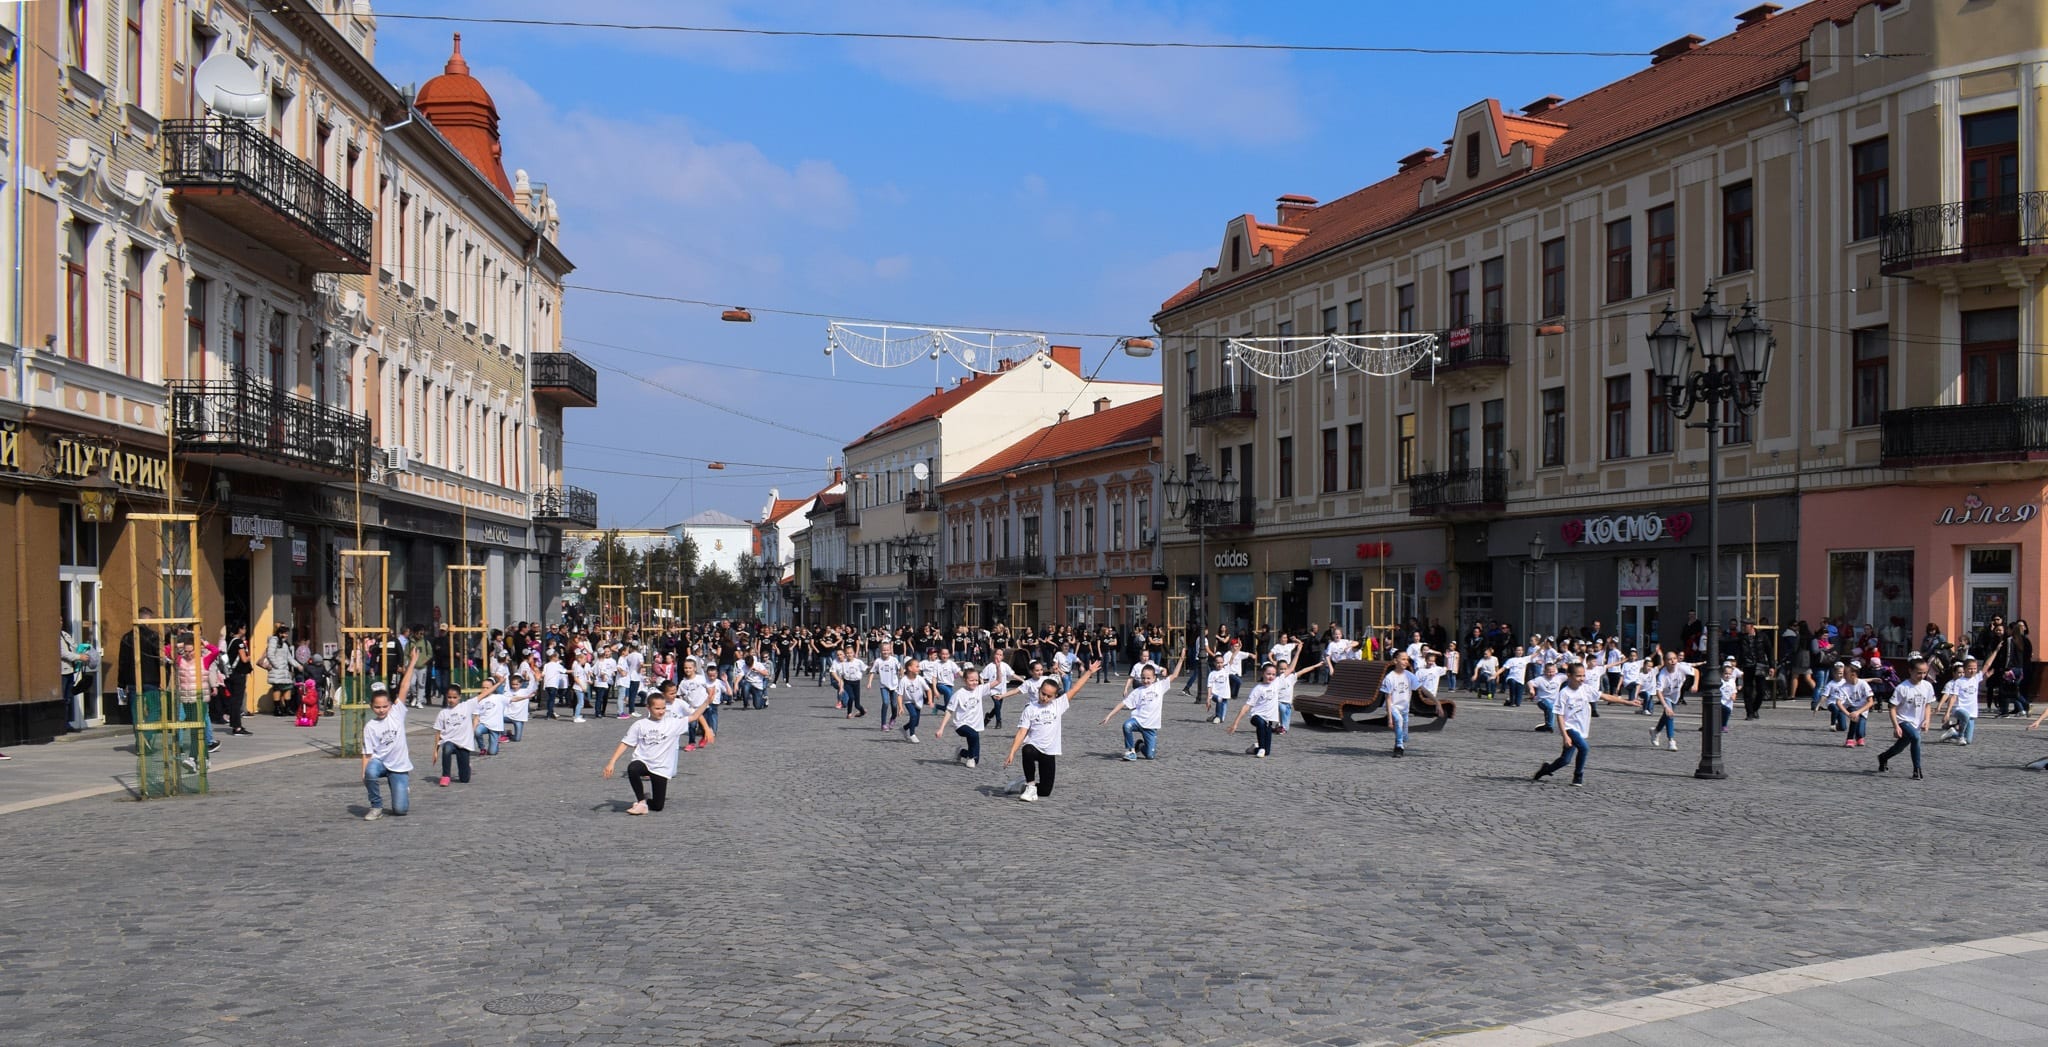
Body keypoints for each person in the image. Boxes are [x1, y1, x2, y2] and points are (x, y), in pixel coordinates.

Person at [1001, 662, 1102, 802]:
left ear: (1055, 696)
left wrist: (1089, 672)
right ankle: (1030, 786)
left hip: (1049, 751)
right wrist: (1012, 752)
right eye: (1043, 694)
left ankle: (1021, 785)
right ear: (1039, 691)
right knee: (1027, 750)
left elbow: (1075, 689)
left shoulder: (1058, 705)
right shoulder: (1030, 709)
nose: (1045, 698)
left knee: (1045, 791)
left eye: (1049, 696)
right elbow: (1021, 733)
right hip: (1034, 746)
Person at [602, 688, 712, 815]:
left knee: (658, 806)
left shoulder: (672, 723)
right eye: (657, 709)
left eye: (663, 708)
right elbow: (625, 743)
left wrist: (706, 702)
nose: (661, 712)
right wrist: (612, 762)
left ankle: (646, 800)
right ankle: (641, 802)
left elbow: (694, 716)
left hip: (661, 768)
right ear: (648, 708)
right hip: (643, 761)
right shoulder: (640, 724)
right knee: (633, 768)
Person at [1531, 661, 1633, 786]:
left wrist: (1628, 702)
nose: (1582, 679)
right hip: (1569, 728)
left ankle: (1546, 769)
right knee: (1584, 748)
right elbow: (1560, 715)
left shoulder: (1586, 689)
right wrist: (1565, 736)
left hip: (1581, 728)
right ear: (1569, 676)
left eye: (1583, 675)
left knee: (1565, 760)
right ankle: (1578, 777)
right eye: (1578, 676)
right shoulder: (1564, 693)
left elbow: (1605, 696)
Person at [360, 663, 417, 820]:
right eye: (377, 707)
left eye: (385, 706)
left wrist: (412, 662)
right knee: (369, 772)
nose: (382, 710)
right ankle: (376, 807)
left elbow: (404, 686)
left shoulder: (397, 714)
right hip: (380, 762)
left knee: (400, 810)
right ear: (372, 707)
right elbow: (367, 753)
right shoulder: (370, 726)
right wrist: (364, 774)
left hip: (399, 766)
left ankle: (401, 787)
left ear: (391, 705)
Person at [1102, 650, 1183, 760]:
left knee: (1150, 756)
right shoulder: (1137, 691)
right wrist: (1109, 716)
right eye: (1143, 678)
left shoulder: (1160, 686)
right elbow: (1123, 703)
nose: (1146, 680)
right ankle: (1131, 751)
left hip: (1151, 727)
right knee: (1127, 725)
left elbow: (1174, 675)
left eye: (1148, 678)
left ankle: (1140, 745)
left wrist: (1181, 659)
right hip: (1138, 721)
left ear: (1154, 678)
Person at [1227, 660, 1315, 759]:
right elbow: (1246, 706)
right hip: (1256, 716)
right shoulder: (1258, 688)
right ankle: (1261, 748)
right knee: (1261, 724)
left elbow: (1290, 669)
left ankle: (1255, 749)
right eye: (1268, 674)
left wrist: (1298, 650)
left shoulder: (1276, 683)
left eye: (1273, 674)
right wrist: (1235, 723)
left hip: (1269, 720)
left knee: (1267, 752)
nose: (1271, 676)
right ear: (1263, 674)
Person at [1877, 656, 1935, 779]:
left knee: (1900, 746)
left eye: (1925, 673)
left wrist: (1927, 720)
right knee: (1916, 737)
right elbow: (1892, 707)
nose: (1922, 675)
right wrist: (1896, 726)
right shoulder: (1902, 688)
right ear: (1910, 671)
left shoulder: (1927, 686)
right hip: (1903, 720)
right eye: (1919, 673)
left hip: (1917, 722)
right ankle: (1917, 770)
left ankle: (1883, 757)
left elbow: (1928, 705)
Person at [432, 684, 479, 786]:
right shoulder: (443, 713)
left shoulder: (466, 706)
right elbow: (438, 732)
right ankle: (445, 776)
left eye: (454, 697)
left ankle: (467, 768)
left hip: (463, 744)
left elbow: (483, 695)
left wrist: (498, 683)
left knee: (464, 779)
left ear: (459, 697)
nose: (451, 700)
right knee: (447, 748)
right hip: (450, 741)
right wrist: (435, 751)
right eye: (449, 697)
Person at [1380, 651, 1419, 757]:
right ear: (1395, 661)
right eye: (1403, 659)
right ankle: (1398, 747)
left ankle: (1402, 739)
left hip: (1405, 708)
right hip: (1393, 706)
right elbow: (1387, 698)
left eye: (1407, 659)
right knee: (1399, 720)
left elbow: (1422, 689)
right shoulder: (1390, 677)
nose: (1406, 662)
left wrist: (1436, 702)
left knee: (1405, 735)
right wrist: (1389, 718)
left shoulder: (1409, 675)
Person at [1940, 654, 1983, 746]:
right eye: (1970, 668)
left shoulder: (1976, 679)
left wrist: (1996, 651)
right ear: (1965, 668)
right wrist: (1947, 712)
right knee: (1965, 716)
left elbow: (1987, 665)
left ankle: (1953, 734)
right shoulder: (1958, 682)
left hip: (1972, 712)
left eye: (1975, 668)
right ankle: (1960, 737)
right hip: (1959, 708)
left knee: (1969, 740)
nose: (1973, 671)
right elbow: (1952, 697)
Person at [1839, 662, 1876, 748]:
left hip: (1862, 709)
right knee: (1854, 715)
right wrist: (1848, 714)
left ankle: (1860, 737)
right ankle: (1850, 739)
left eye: (1845, 674)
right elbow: (1838, 702)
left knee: (1860, 732)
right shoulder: (1843, 686)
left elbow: (1870, 701)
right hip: (1851, 707)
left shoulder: (1863, 684)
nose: (1843, 676)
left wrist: (1859, 712)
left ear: (1853, 675)